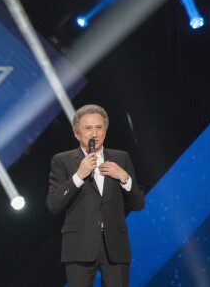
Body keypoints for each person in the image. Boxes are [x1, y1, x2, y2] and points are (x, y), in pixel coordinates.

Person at [46, 104, 145, 287]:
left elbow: (138, 204)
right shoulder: (62, 160)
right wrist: (78, 176)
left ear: (105, 132)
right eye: (88, 128)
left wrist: (124, 177)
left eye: (99, 128)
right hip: (79, 246)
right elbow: (54, 204)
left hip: (115, 245)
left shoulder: (121, 158)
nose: (94, 134)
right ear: (77, 133)